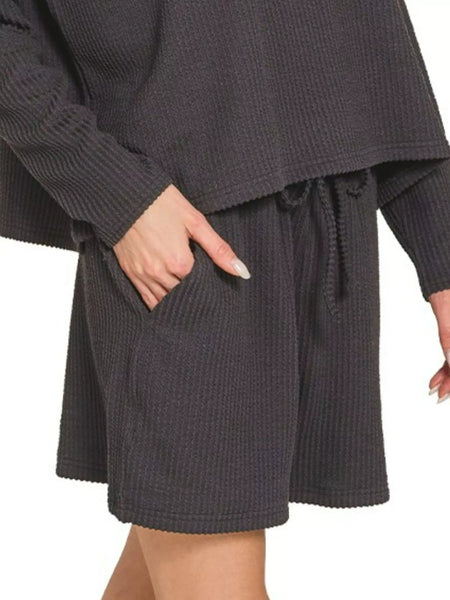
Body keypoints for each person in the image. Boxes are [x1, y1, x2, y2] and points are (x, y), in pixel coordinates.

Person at [1, 1, 450, 598]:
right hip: (181, 238)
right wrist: (116, 193)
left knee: (176, 555)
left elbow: (369, 33)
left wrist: (442, 253)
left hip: (325, 207)